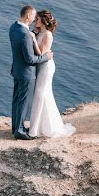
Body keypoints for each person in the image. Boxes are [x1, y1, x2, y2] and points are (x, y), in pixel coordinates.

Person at [28, 10, 76, 138]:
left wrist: (33, 40)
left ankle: (37, 129)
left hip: (46, 67)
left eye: (37, 19)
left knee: (40, 94)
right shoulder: (40, 32)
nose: (35, 21)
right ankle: (38, 127)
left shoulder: (47, 35)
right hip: (40, 66)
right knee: (42, 95)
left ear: (43, 21)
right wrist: (34, 34)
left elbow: (42, 54)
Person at [9, 5, 52, 139]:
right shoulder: (25, 34)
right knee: (23, 102)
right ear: (28, 16)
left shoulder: (14, 27)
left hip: (16, 70)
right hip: (26, 73)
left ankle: (15, 127)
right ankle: (20, 131)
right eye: (33, 17)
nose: (34, 20)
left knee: (16, 100)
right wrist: (46, 57)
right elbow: (29, 59)